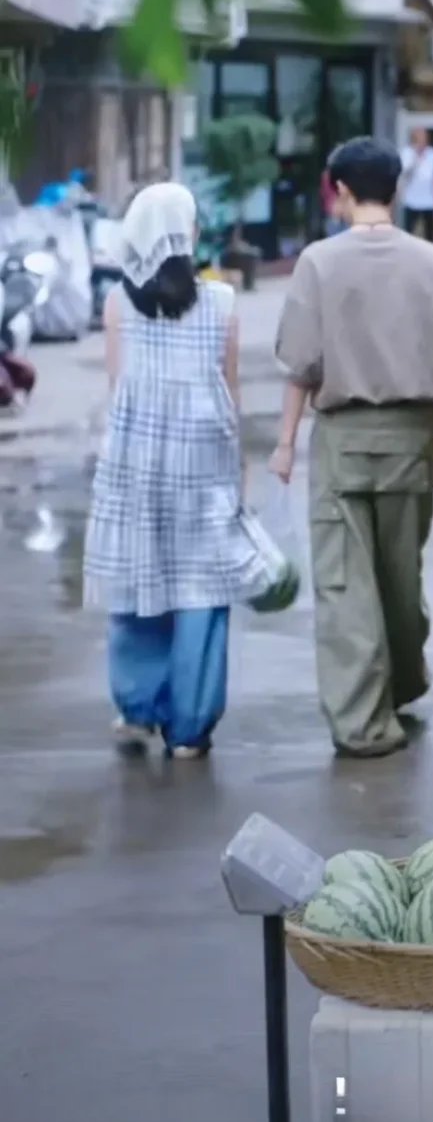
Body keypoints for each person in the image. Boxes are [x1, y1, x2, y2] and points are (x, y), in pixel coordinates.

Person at [271, 137, 433, 758]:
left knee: (344, 582)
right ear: (396, 187)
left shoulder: (318, 263)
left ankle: (364, 724)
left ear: (340, 189)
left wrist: (285, 443)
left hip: (343, 439)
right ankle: (403, 684)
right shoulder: (432, 261)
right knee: (400, 572)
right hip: (412, 434)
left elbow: (301, 366)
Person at [83, 182, 250, 760]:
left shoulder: (117, 304)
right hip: (204, 465)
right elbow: (230, 393)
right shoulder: (221, 302)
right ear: (188, 233)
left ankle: (137, 707)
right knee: (202, 590)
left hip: (136, 464)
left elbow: (117, 387)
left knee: (138, 582)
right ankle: (190, 728)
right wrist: (240, 475)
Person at [399, 126, 433, 241]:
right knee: (408, 233)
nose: (422, 139)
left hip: (429, 202)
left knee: (431, 234)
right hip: (411, 201)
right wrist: (416, 158)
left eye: (424, 136)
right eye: (419, 136)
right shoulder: (407, 153)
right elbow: (404, 173)